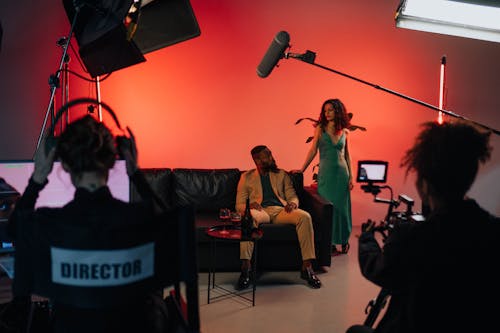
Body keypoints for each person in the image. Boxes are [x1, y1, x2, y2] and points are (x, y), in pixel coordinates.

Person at [7, 115, 169, 333]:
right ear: (113, 160)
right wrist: (136, 173)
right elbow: (169, 225)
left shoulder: (47, 224)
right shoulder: (141, 218)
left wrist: (38, 177)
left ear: (63, 164)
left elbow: (14, 230)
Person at [347, 121, 499, 333]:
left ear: (424, 184)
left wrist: (366, 239)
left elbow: (380, 269)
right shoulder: (493, 230)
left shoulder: (413, 237)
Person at [235, 145, 321, 289]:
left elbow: (292, 195)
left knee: (305, 217)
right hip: (260, 211)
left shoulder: (282, 174)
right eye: (266, 156)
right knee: (249, 219)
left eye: (270, 155)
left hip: (281, 210)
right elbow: (239, 204)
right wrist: (249, 206)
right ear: (257, 161)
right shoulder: (246, 177)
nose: (270, 158)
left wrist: (293, 204)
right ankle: (246, 268)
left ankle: (307, 267)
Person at [300, 98, 353, 255]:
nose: (327, 113)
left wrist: (351, 177)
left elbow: (348, 156)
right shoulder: (320, 129)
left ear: (338, 111)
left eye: (330, 110)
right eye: (325, 110)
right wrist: (302, 169)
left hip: (342, 175)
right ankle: (329, 242)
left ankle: (344, 240)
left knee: (343, 210)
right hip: (327, 176)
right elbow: (313, 150)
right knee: (328, 209)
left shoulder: (345, 132)